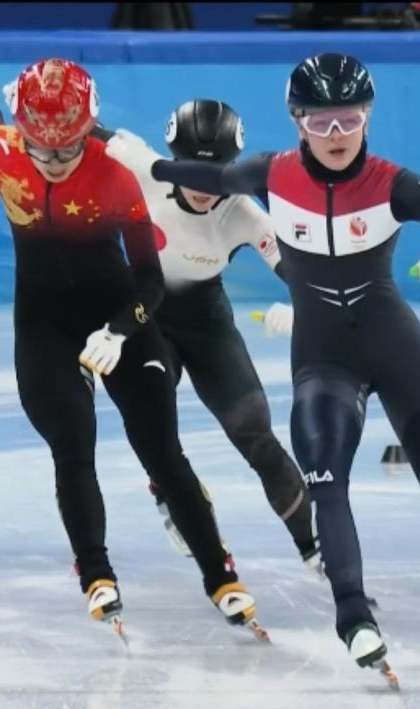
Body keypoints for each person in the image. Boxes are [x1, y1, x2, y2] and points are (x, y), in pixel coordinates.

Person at [130, 52, 420, 686]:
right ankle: (353, 616)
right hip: (323, 359)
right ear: (297, 121)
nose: (336, 136)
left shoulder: (395, 182)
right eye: (320, 122)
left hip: (397, 350)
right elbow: (170, 169)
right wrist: (100, 140)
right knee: (327, 484)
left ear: (367, 117)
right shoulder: (269, 175)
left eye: (349, 120)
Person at [0, 46, 266, 640]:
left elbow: (151, 280)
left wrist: (120, 330)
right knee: (73, 445)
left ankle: (220, 575)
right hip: (44, 328)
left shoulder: (117, 176)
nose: (53, 160)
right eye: (41, 148)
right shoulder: (2, 152)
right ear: (23, 137)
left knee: (162, 451)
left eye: (69, 147)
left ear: (87, 133)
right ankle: (95, 571)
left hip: (122, 315)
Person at [89, 100, 320, 575]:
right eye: (190, 168)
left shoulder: (244, 215)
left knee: (254, 432)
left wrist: (302, 306)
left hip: (206, 321)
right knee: (152, 418)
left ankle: (315, 550)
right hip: (145, 313)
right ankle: (166, 485)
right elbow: (73, 128)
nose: (200, 184)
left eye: (214, 172)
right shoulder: (141, 165)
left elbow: (302, 276)